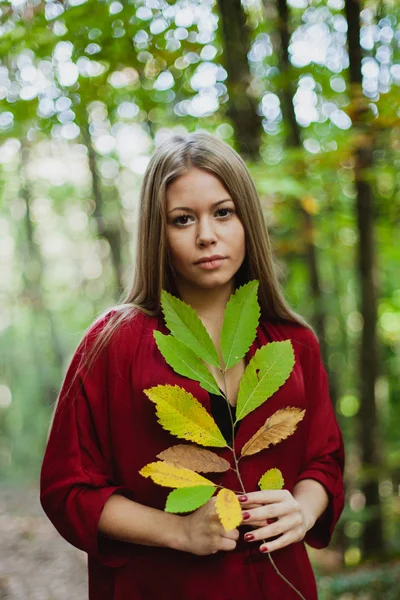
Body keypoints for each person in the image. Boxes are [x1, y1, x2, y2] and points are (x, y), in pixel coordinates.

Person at [40, 132, 344, 600]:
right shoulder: (113, 345)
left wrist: (302, 510)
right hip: (161, 587)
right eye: (183, 220)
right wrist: (177, 531)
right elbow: (69, 490)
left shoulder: (292, 343)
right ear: (157, 233)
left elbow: (323, 461)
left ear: (247, 220)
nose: (207, 235)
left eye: (223, 212)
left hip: (279, 584)